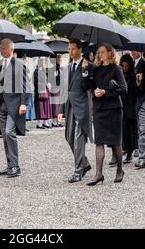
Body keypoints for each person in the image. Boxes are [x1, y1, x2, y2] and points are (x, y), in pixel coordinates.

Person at [86, 44, 127, 186]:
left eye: (102, 52)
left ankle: (120, 169)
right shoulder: (95, 70)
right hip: (99, 109)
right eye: (99, 52)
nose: (100, 54)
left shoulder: (117, 69)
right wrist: (91, 85)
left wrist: (106, 92)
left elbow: (123, 89)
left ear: (110, 53)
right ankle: (98, 174)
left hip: (113, 109)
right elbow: (88, 86)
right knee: (99, 141)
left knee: (115, 142)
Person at [0, 39, 29, 178]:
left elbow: (26, 86)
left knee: (9, 133)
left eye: (4, 48)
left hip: (14, 104)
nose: (2, 50)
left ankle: (15, 166)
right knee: (4, 136)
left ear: (11, 49)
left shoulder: (20, 64)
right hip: (0, 104)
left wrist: (24, 103)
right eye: (1, 47)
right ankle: (10, 164)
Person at [58, 39, 93, 183]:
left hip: (83, 106)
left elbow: (88, 87)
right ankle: (84, 164)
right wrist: (61, 109)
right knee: (69, 137)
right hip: (70, 106)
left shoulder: (89, 66)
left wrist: (85, 72)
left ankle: (78, 171)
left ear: (80, 49)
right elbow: (64, 90)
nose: (70, 52)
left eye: (73, 49)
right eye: (69, 49)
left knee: (79, 138)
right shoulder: (67, 67)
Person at [119, 54, 138, 164]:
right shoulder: (119, 76)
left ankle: (131, 151)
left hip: (131, 106)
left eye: (126, 66)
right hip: (122, 105)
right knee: (124, 130)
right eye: (123, 66)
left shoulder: (133, 77)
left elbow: (136, 92)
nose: (125, 68)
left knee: (131, 130)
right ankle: (126, 150)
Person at [34, 58, 52, 129]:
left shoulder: (45, 71)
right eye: (43, 62)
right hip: (39, 92)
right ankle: (39, 124)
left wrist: (48, 83)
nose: (44, 63)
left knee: (45, 106)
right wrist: (44, 84)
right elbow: (36, 82)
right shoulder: (36, 72)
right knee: (40, 108)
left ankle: (45, 122)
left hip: (45, 90)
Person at [49, 54, 63, 127]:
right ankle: (54, 121)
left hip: (60, 88)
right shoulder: (52, 69)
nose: (60, 60)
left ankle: (59, 121)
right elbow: (51, 79)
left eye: (60, 58)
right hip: (54, 89)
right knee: (55, 105)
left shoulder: (61, 69)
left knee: (59, 105)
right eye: (58, 58)